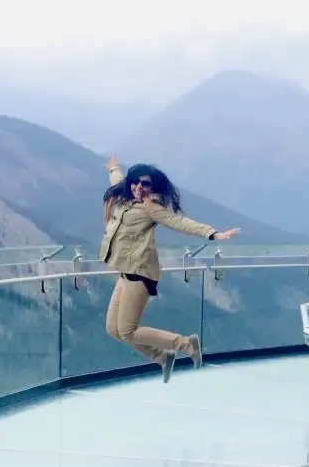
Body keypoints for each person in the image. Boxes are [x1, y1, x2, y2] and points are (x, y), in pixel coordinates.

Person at [99, 156, 240, 383]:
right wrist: (113, 168)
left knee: (127, 331)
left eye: (145, 184)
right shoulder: (124, 197)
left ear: (153, 187)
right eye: (136, 182)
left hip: (140, 275)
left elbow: (179, 222)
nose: (139, 187)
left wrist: (213, 234)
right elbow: (118, 180)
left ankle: (184, 343)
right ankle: (162, 356)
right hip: (125, 273)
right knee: (113, 330)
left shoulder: (151, 208)